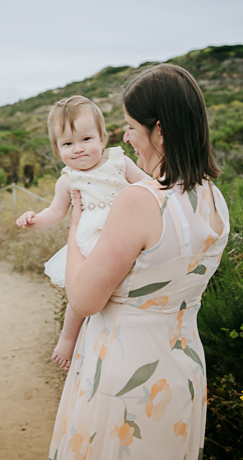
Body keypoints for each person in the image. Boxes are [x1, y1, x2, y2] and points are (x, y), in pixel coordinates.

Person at [49, 65, 229, 459]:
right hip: (182, 372)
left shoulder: (142, 201)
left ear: (160, 130)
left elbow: (83, 299)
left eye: (131, 127)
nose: (126, 138)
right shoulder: (214, 197)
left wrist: (77, 223)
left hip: (124, 375)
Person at [16, 96, 147, 369]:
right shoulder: (67, 180)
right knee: (80, 293)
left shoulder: (120, 163)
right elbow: (55, 212)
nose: (78, 149)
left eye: (86, 139)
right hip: (90, 242)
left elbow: (148, 187)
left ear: (102, 137)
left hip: (127, 232)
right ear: (57, 149)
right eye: (67, 144)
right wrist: (34, 220)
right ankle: (67, 339)